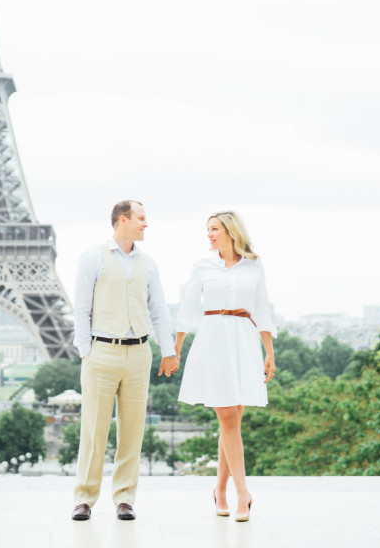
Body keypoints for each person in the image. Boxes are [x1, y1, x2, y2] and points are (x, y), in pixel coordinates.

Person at [71, 199, 178, 521]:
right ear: (122, 220)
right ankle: (85, 498)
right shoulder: (93, 258)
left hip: (138, 353)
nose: (146, 224)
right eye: (141, 218)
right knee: (94, 431)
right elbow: (80, 308)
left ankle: (125, 499)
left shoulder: (149, 263)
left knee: (132, 431)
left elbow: (158, 309)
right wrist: (85, 352)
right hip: (101, 352)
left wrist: (168, 350)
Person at [174, 210, 276, 522]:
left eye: (214, 228)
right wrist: (175, 350)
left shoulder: (254, 265)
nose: (209, 234)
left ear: (231, 231)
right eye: (208, 229)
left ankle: (219, 489)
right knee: (228, 419)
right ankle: (243, 495)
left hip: (243, 341)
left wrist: (269, 352)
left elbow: (262, 309)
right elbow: (189, 308)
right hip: (214, 340)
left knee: (232, 422)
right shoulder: (202, 266)